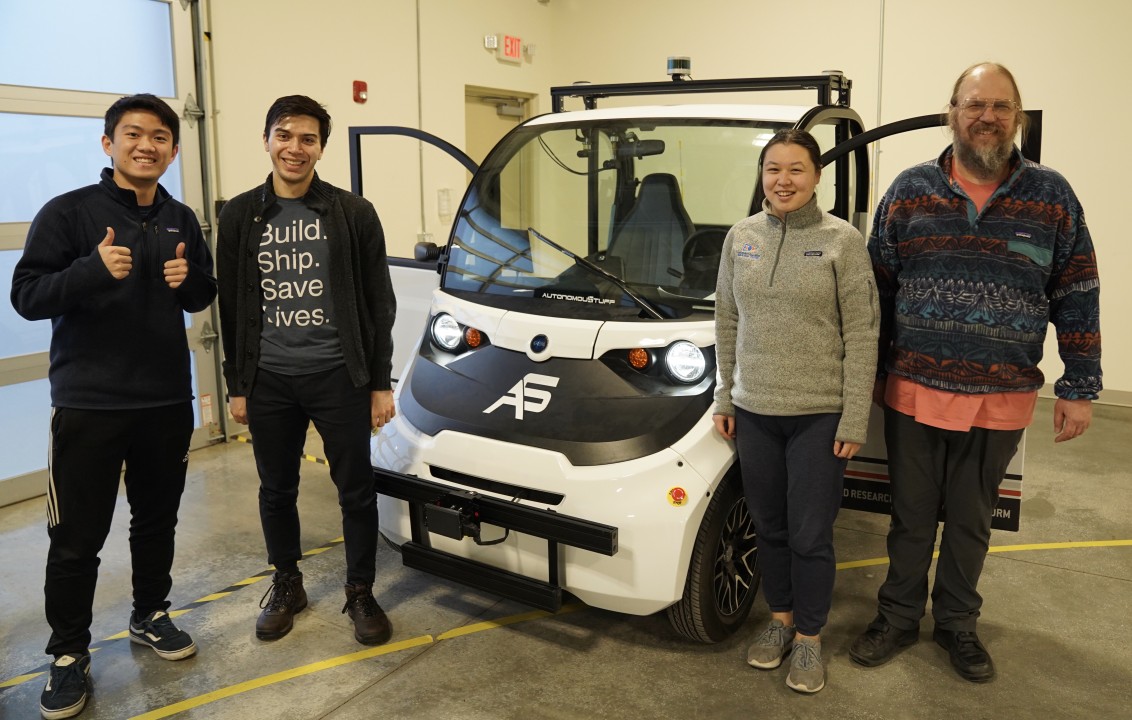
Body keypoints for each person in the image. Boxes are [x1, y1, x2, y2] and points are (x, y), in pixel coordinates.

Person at [849, 62, 1102, 683]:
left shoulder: (1052, 196)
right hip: (912, 390)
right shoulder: (909, 190)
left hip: (1001, 396)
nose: (987, 117)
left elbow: (1078, 291)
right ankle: (897, 617)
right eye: (974, 105)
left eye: (1000, 106)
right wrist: (866, 375)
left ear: (1017, 117)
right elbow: (873, 292)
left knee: (970, 520)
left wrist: (1079, 385)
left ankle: (957, 623)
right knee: (910, 517)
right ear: (952, 112)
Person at [11, 94, 216, 719]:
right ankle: (68, 653)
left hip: (165, 401)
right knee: (77, 537)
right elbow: (27, 296)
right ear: (109, 143)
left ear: (173, 150)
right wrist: (92, 271)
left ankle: (150, 614)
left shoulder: (181, 217)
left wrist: (190, 284)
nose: (146, 145)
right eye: (133, 134)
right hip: (89, 404)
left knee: (157, 521)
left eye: (159, 137)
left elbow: (202, 292)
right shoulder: (68, 212)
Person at [216, 95, 397, 647]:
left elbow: (379, 302)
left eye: (308, 139)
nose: (295, 148)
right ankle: (287, 583)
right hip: (269, 378)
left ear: (321, 148)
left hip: (339, 375)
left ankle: (360, 590)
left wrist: (380, 382)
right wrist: (237, 384)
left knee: (355, 490)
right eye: (285, 135)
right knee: (276, 489)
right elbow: (232, 306)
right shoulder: (239, 215)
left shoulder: (352, 213)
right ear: (266, 140)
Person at [713, 128, 879, 694]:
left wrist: (853, 416)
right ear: (762, 175)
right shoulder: (741, 238)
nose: (783, 181)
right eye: (773, 169)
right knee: (769, 526)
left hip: (819, 414)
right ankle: (780, 620)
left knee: (810, 534)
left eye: (796, 169)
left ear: (816, 176)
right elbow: (727, 320)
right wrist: (725, 395)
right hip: (754, 409)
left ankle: (809, 637)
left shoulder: (841, 241)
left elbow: (862, 333)